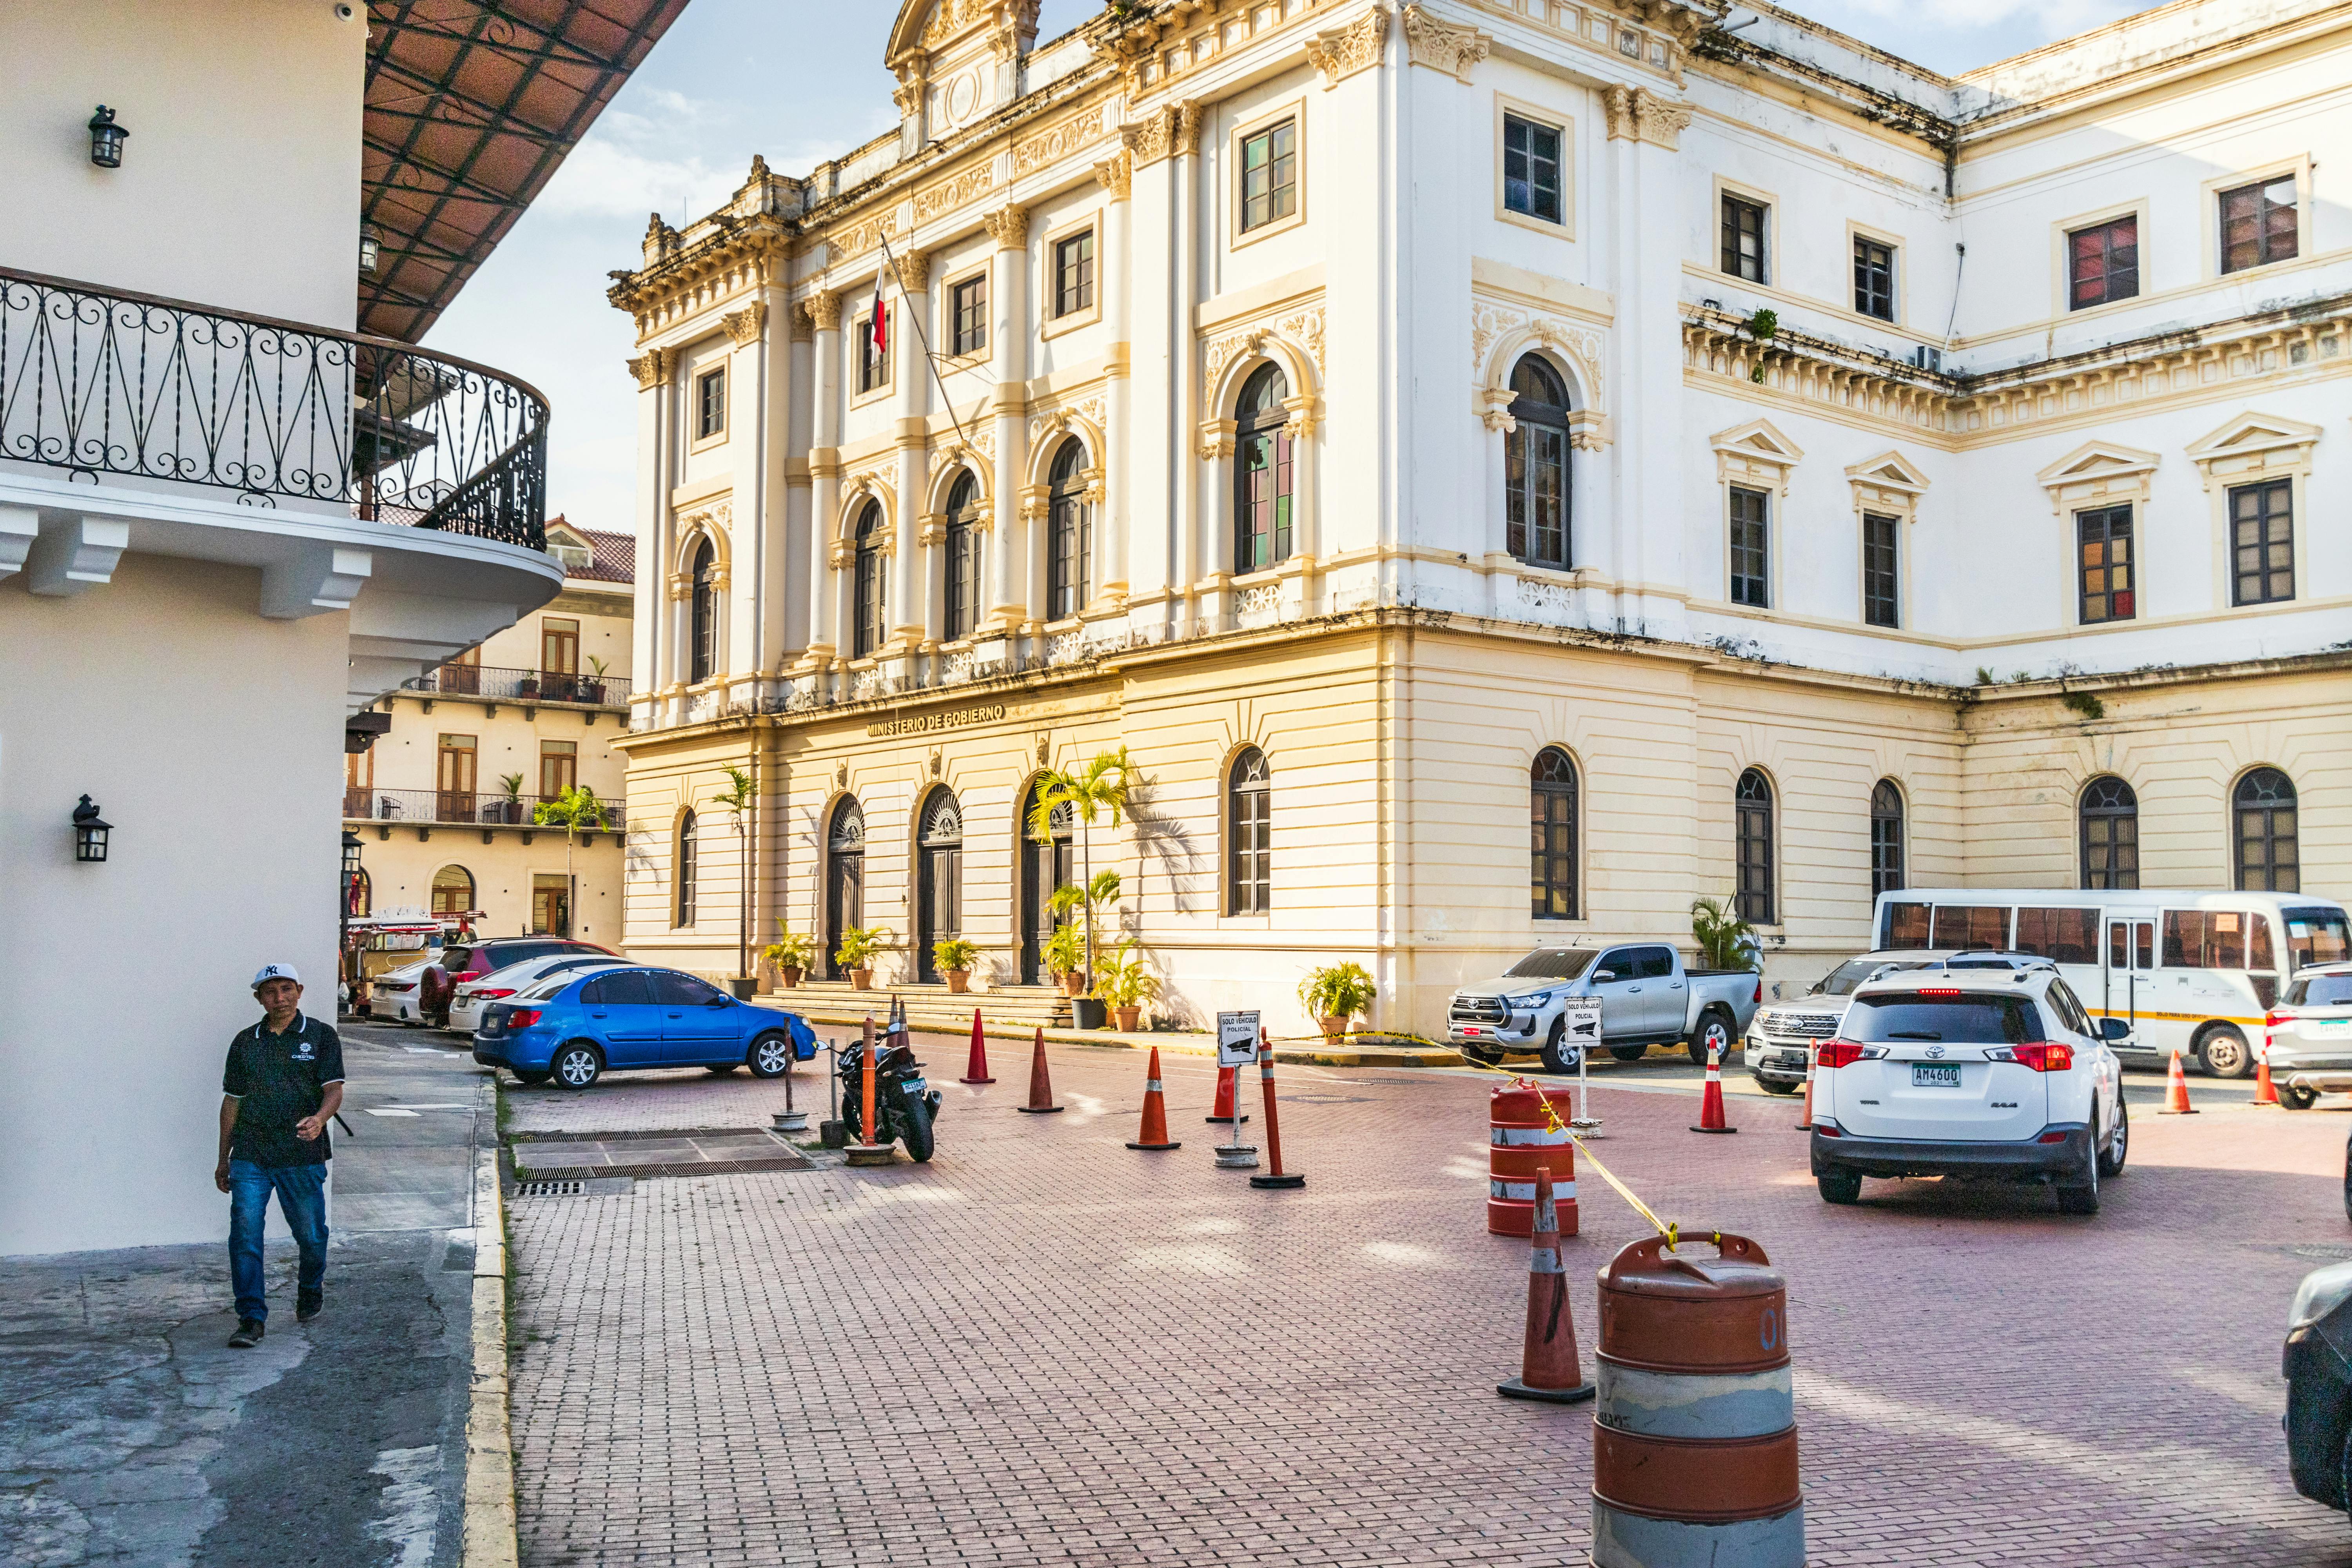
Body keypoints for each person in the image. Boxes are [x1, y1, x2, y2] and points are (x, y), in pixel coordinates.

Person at [216, 964, 345, 1348]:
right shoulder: (245, 1042)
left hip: (301, 1154)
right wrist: (224, 1158)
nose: (279, 997)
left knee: (310, 1234)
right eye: (270, 991)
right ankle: (251, 1318)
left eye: (287, 989)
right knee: (245, 1234)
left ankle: (310, 1287)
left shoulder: (320, 1035)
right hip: (251, 1154)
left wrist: (320, 1119)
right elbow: (231, 1102)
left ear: (300, 991)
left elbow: (334, 1090)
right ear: (259, 998)